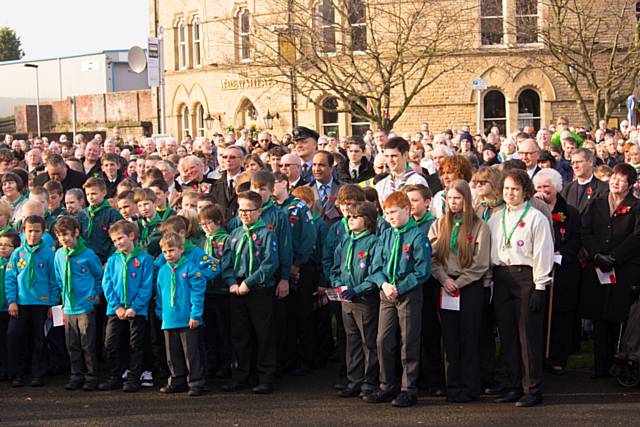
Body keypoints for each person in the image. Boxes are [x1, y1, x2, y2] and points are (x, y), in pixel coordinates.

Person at [488, 169, 554, 407]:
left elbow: (543, 252)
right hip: (501, 277)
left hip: (526, 278)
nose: (510, 193)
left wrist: (540, 286)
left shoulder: (536, 217)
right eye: (506, 189)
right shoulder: (496, 218)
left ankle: (532, 388)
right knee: (507, 335)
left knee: (527, 335)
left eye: (515, 189)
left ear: (525, 191)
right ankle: (513, 385)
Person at [366, 191, 432, 408]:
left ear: (407, 210)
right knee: (382, 340)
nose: (390, 217)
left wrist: (400, 287)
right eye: (386, 213)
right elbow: (375, 266)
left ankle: (408, 388)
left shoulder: (417, 235)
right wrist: (383, 284)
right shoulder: (386, 235)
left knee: (408, 341)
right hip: (387, 293)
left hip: (408, 294)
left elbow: (422, 271)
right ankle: (387, 384)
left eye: (394, 212)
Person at [429, 179, 491, 402]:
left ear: (466, 200)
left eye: (458, 198)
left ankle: (470, 386)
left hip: (469, 287)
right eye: (450, 198)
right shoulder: (439, 225)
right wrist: (444, 279)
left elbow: (481, 263)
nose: (453, 203)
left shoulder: (479, 226)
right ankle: (452, 386)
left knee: (469, 337)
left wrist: (461, 281)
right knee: (451, 339)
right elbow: (432, 258)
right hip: (446, 285)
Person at [580, 163, 640, 378]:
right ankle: (599, 367)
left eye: (622, 179)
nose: (615, 182)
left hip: (623, 269)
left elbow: (636, 237)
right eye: (613, 177)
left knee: (616, 315)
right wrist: (597, 254)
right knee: (598, 315)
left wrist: (614, 257)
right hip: (597, 266)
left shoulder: (636, 206)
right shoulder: (596, 203)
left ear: (630, 185)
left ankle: (617, 361)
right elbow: (585, 230)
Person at [221, 191, 280, 394]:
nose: (244, 214)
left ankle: (265, 377)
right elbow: (226, 263)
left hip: (259, 289)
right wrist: (231, 282)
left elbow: (269, 263)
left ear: (259, 211)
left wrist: (249, 282)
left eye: (249, 210)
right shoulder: (235, 235)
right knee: (240, 334)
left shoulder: (267, 234)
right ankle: (241, 375)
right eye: (241, 210)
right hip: (237, 288)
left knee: (263, 334)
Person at [532, 169, 581, 376]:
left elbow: (577, 239)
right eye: (539, 187)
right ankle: (538, 354)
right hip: (539, 269)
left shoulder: (569, 212)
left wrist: (561, 253)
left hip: (563, 269)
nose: (543, 191)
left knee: (561, 315)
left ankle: (558, 358)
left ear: (556, 188)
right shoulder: (533, 210)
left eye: (547, 187)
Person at [331, 201, 379, 398]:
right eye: (348, 217)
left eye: (354, 217)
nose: (349, 220)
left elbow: (375, 273)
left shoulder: (374, 242)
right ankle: (354, 380)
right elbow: (336, 267)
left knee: (369, 341)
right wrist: (338, 285)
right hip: (346, 300)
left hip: (365, 300)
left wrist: (357, 289)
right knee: (352, 341)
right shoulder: (346, 240)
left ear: (366, 221)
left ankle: (370, 381)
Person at [99, 221, 154, 392]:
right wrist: (116, 307)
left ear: (131, 236)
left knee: (135, 344)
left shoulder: (145, 259)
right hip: (116, 310)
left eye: (120, 238)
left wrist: (135, 307)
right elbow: (106, 284)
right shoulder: (113, 259)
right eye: (114, 241)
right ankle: (115, 376)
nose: (118, 243)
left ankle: (133, 377)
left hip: (136, 311)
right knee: (111, 343)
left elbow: (146, 285)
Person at [5, 216, 58, 387]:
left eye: (37, 231)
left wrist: (52, 303)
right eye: (30, 231)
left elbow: (54, 281)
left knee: (39, 338)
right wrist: (12, 301)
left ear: (43, 233)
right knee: (16, 336)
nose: (33, 235)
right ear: (23, 232)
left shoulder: (50, 254)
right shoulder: (17, 253)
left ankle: (37, 373)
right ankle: (18, 373)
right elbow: (10, 278)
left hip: (42, 303)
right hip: (21, 303)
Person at [53, 216, 104, 391]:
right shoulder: (59, 254)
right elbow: (58, 278)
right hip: (68, 306)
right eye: (60, 236)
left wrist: (95, 296)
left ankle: (92, 376)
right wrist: (62, 298)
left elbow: (99, 277)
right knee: (72, 343)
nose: (63, 239)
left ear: (76, 232)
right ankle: (76, 375)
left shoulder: (88, 254)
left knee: (87, 343)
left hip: (85, 305)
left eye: (66, 234)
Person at [155, 232, 207, 396]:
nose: (168, 254)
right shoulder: (163, 270)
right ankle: (177, 379)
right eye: (164, 252)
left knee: (191, 353)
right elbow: (159, 293)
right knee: (172, 353)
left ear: (181, 249)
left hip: (187, 319)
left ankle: (196, 382)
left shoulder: (191, 268)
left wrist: (195, 315)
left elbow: (197, 293)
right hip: (169, 319)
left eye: (171, 250)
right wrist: (160, 313)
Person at [199, 204, 232, 378]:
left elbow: (227, 263)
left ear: (218, 221)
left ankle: (226, 364)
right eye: (202, 224)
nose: (205, 227)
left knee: (223, 330)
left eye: (208, 223)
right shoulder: (204, 240)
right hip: (207, 292)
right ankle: (211, 363)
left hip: (222, 291)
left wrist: (214, 263)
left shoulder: (225, 239)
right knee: (209, 330)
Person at [375, 137, 428, 204]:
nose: (389, 160)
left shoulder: (418, 182)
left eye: (394, 156)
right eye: (387, 156)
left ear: (405, 155)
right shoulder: (381, 185)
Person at [83, 177, 123, 263]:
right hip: (85, 259)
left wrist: (109, 260)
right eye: (87, 194)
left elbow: (118, 238)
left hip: (105, 259)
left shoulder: (112, 214)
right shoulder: (82, 215)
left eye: (94, 194)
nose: (90, 197)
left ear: (104, 192)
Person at [561, 148, 608, 215]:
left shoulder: (603, 189)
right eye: (573, 163)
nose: (575, 166)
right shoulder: (567, 189)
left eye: (578, 162)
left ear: (590, 162)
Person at [134, 188, 163, 258]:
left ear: (155, 203)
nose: (143, 208)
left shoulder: (161, 226)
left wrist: (133, 244)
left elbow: (147, 247)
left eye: (146, 204)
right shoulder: (136, 224)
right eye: (139, 206)